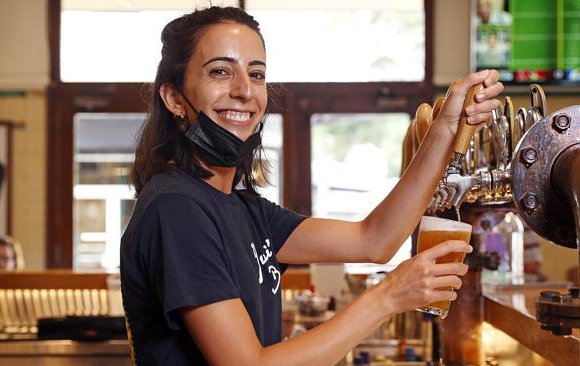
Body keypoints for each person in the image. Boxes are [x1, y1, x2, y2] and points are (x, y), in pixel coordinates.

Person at [120, 6, 503, 366]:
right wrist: (388, 297)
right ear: (173, 97)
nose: (245, 90)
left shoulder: (244, 208)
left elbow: (373, 240)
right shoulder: (175, 209)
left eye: (256, 74)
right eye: (220, 71)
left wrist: (446, 129)